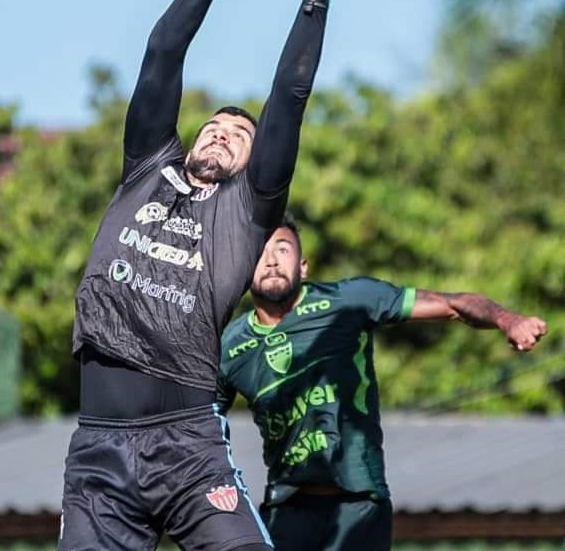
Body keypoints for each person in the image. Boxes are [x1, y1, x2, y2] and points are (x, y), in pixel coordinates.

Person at [59, 0, 340, 551]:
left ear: (252, 164)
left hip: (188, 450)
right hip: (99, 452)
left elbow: (290, 95)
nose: (220, 133)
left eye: (238, 136)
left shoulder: (246, 211)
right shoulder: (147, 167)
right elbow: (163, 53)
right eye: (213, 126)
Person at [217, 213, 548, 551]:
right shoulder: (227, 345)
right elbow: (200, 427)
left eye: (282, 249)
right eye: (260, 251)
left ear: (303, 267)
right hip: (285, 511)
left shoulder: (350, 301)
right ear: (243, 269)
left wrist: (507, 320)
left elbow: (453, 305)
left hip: (359, 504)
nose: (271, 260)